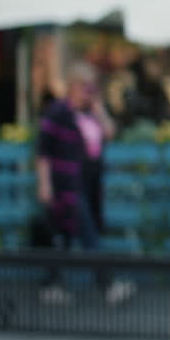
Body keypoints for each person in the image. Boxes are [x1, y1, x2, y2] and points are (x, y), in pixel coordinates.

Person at [35, 61, 129, 303]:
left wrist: (99, 110)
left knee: (65, 236)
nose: (88, 92)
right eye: (84, 87)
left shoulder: (91, 113)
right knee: (87, 234)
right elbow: (43, 152)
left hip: (89, 184)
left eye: (92, 87)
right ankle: (107, 285)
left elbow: (110, 133)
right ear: (72, 86)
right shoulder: (57, 113)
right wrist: (44, 185)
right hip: (65, 184)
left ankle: (50, 286)